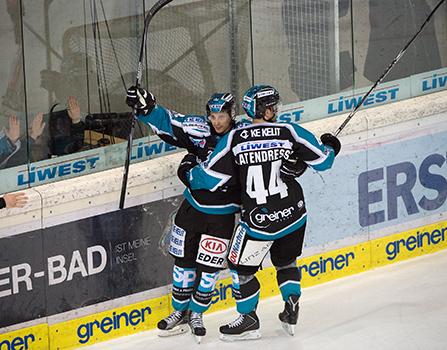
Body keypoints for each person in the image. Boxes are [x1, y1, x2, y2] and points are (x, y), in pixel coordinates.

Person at [181, 84, 341, 341]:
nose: (275, 110)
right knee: (287, 262)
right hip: (294, 215)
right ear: (265, 110)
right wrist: (330, 145)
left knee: (240, 268)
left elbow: (207, 178)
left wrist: (188, 172)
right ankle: (291, 304)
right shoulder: (288, 131)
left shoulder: (235, 138)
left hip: (259, 223)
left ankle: (249, 319)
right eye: (272, 106)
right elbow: (324, 161)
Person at [126, 86, 248, 343]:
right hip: (191, 209)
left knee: (209, 268)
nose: (217, 122)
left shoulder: (242, 136)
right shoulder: (200, 129)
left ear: (231, 114)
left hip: (222, 216)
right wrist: (147, 107)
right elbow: (170, 121)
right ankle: (180, 312)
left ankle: (197, 314)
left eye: (222, 117)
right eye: (213, 117)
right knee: (183, 263)